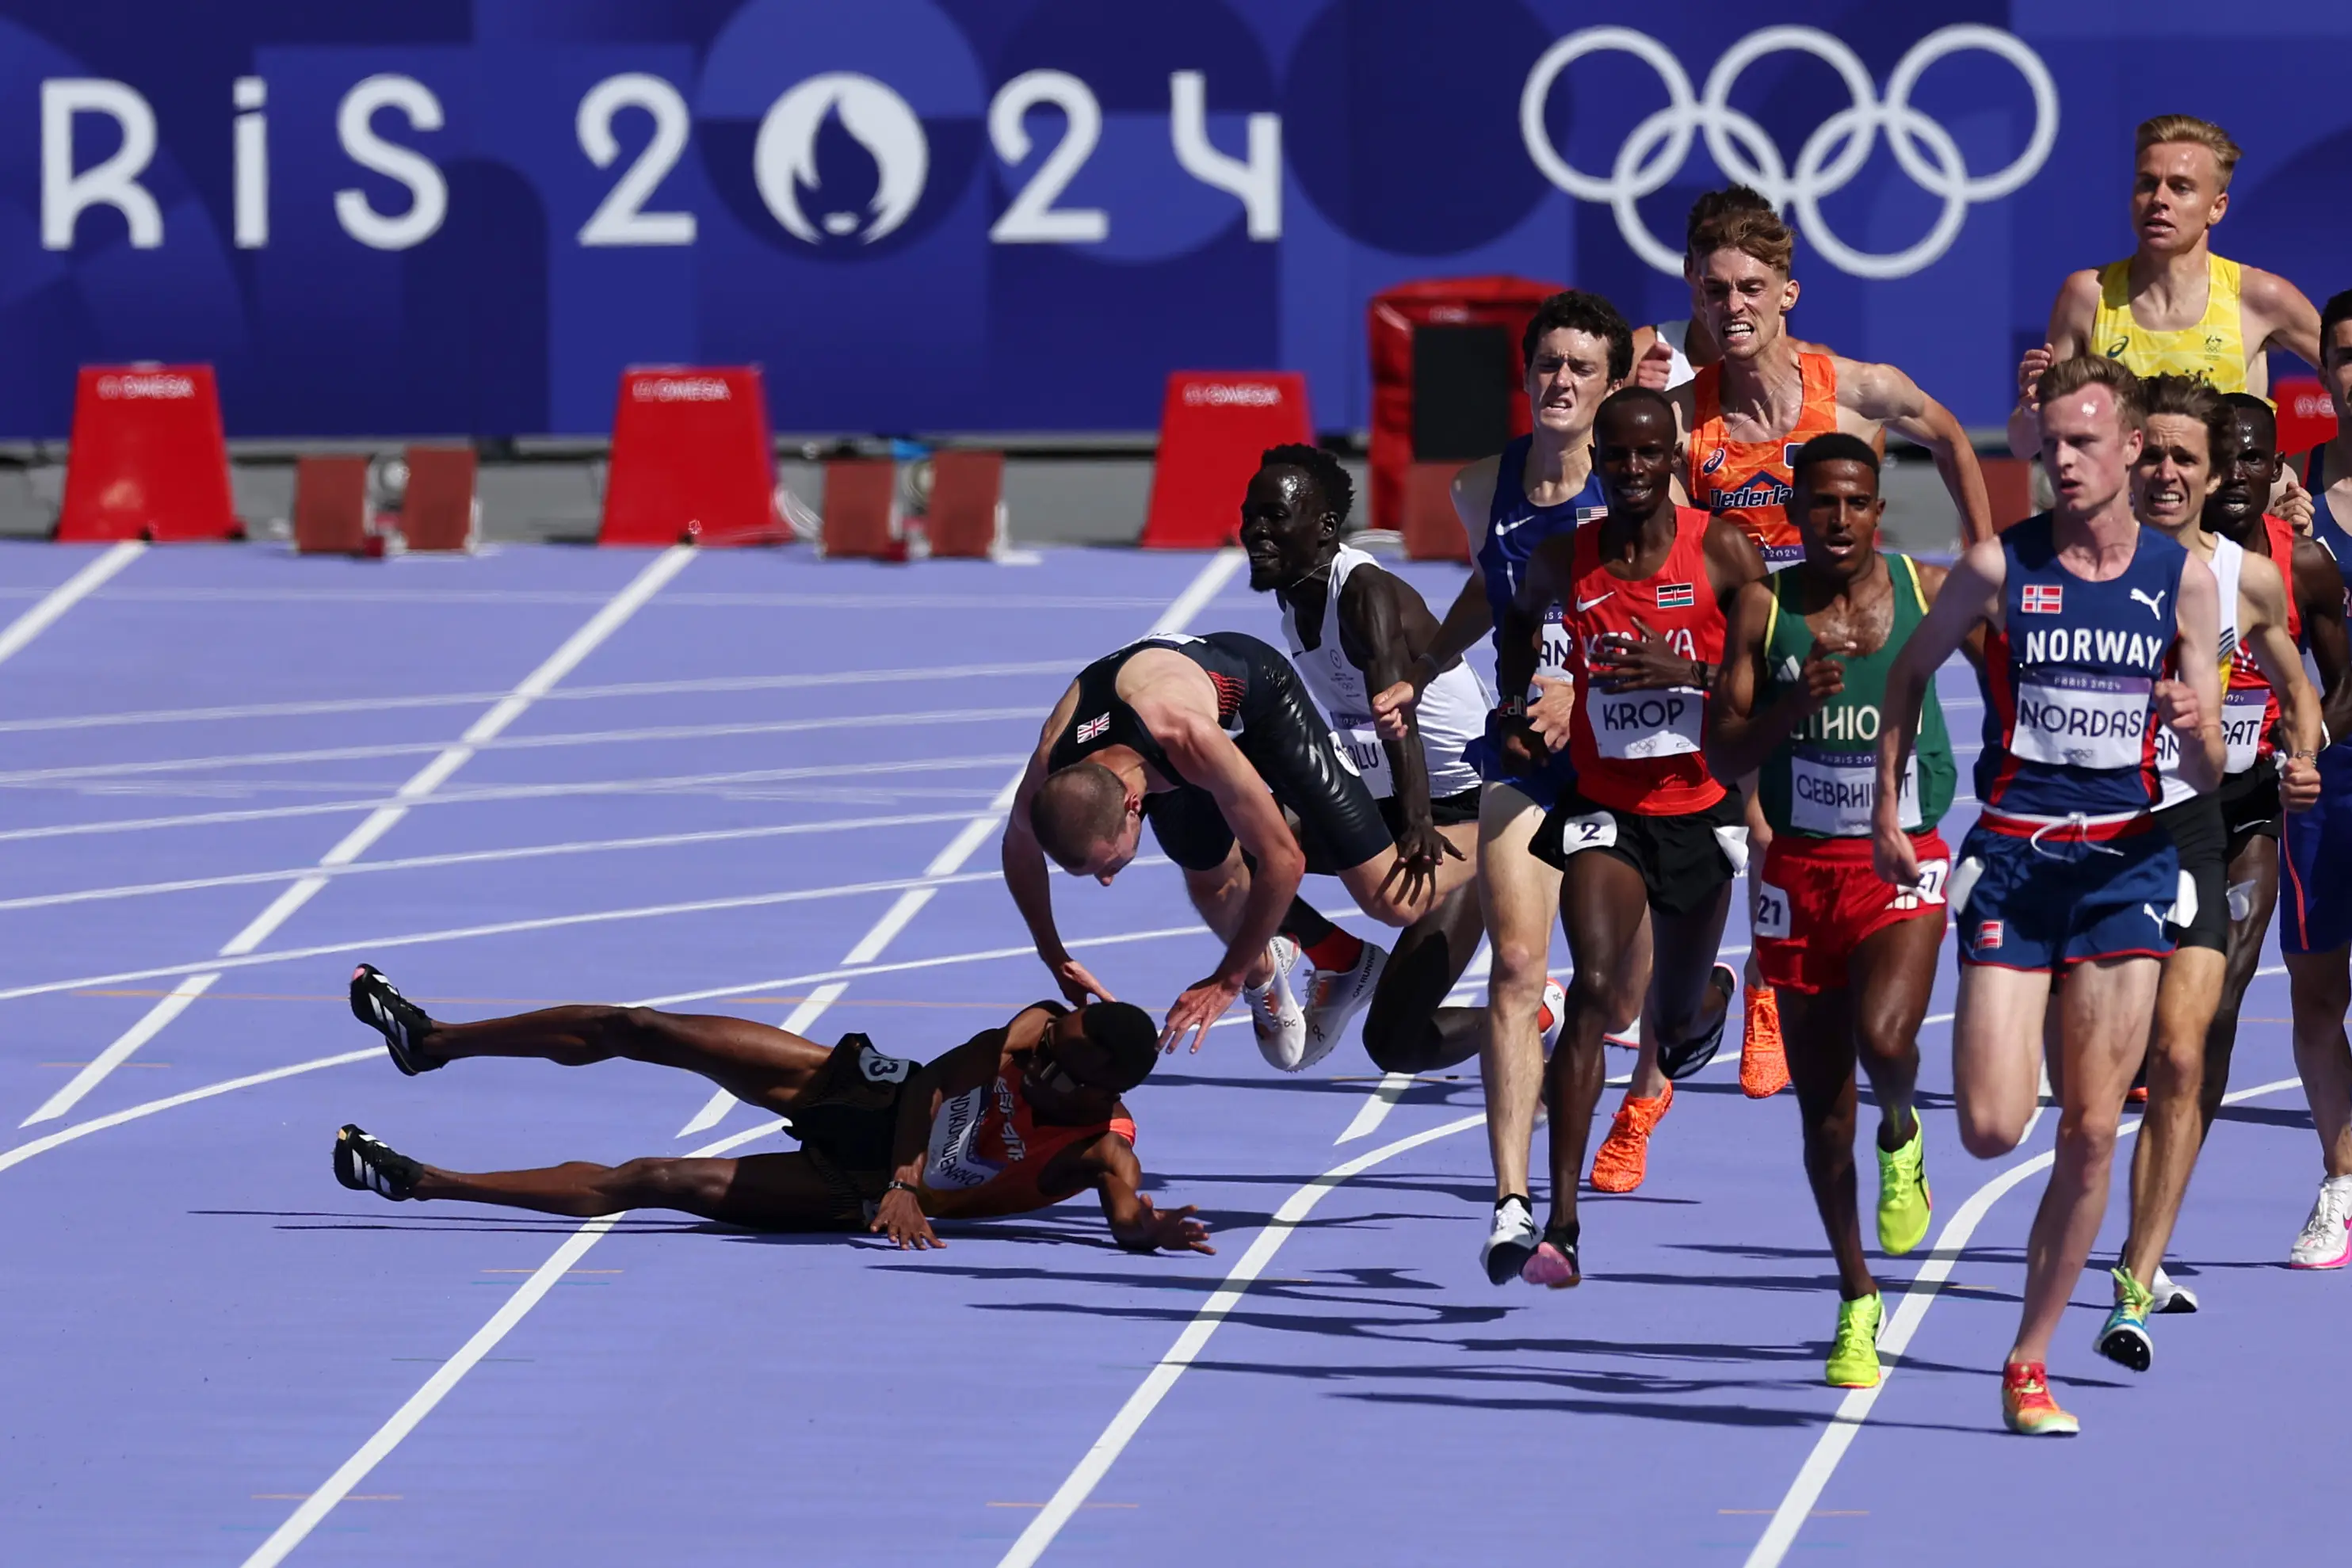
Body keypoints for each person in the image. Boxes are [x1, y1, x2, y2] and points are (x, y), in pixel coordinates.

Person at [1877, 355, 2224, 1435]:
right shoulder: (1998, 564)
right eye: (2053, 443)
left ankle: (2028, 1359)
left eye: (2086, 443)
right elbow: (1905, 670)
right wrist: (1891, 808)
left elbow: (2211, 765)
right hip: (2016, 862)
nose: (2065, 461)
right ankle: (1912, 1126)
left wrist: (2192, 723)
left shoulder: (2185, 578)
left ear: (2129, 449)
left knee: (2087, 1129)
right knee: (1989, 1125)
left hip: (2126, 861)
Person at [1369, 289, 1626, 1284]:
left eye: (1581, 367)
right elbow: (1492, 583)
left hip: (1629, 763)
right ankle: (1513, 1202)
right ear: (1527, 376)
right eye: (1548, 364)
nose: (1561, 381)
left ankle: (1686, 1019)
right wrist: (1426, 666)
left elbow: (1686, 611)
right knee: (1517, 965)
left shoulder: (1644, 481)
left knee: (1623, 991)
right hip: (1524, 761)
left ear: (1610, 385)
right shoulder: (1483, 485)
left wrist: (1586, 685)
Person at [334, 966, 1211, 1253]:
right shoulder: (1033, 1031)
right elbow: (940, 1082)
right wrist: (912, 1170)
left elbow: (1127, 1223)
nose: (1047, 1044)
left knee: (652, 1177)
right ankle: (435, 1040)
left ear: (1102, 1086)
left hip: (858, 1180)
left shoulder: (1102, 1147)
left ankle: (423, 1182)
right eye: (1056, 1032)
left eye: (1066, 1054)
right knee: (641, 1026)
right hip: (883, 1097)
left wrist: (1154, 1230)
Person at [1495, 387, 1766, 1285]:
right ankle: (1559, 1222)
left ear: (1674, 454)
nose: (1634, 469)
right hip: (1605, 806)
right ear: (1597, 462)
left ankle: (1705, 1007)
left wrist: (1686, 669)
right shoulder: (1562, 560)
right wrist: (1515, 709)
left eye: (1651, 453)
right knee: (1594, 990)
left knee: (1677, 1018)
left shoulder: (1721, 550)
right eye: (1618, 456)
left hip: (1696, 807)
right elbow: (1518, 631)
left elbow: (1768, 671)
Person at [1705, 433, 1957, 1388]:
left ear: (1878, 510)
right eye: (1821, 504)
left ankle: (1904, 1127)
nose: (1840, 519)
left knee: (1886, 1039)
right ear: (1796, 512)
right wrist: (1786, 712)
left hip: (1899, 855)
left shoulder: (1925, 589)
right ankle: (1856, 1297)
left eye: (1856, 502)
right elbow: (1724, 754)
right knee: (1819, 1116)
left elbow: (2019, 658)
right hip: (1797, 872)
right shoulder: (1765, 610)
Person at [2092, 376, 2320, 1369]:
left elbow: (2296, 680)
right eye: (2157, 456)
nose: (2172, 474)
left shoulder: (2254, 576)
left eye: (2193, 459)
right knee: (2102, 1062)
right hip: (2110, 827)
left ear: (2222, 472)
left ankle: (2140, 1269)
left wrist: (2302, 750)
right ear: (2131, 456)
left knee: (2206, 1023)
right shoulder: (2084, 561)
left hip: (2232, 815)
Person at [1005, 615, 1478, 1059]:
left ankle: (1512, 825)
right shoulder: (1049, 769)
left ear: (1134, 807)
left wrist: (1225, 982)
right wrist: (1054, 955)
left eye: (1108, 866)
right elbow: (1017, 850)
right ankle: (1274, 972)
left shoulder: (1188, 738)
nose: (1107, 881)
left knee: (1391, 900)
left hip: (1257, 700)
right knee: (1210, 882)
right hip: (1148, 729)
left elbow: (1283, 860)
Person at [1243, 443, 1560, 1074]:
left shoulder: (1362, 591)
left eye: (1274, 517)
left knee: (1393, 1043)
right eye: (1250, 513)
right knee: (1242, 837)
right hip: (1389, 796)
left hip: (1473, 809)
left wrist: (1418, 825)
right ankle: (1339, 959)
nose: (1255, 529)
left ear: (1324, 528)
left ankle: (1541, 1015)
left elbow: (1398, 712)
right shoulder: (1290, 596)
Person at [2009, 114, 2323, 457]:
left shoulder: (2258, 297)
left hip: (2222, 510)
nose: (2159, 198)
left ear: (2216, 208)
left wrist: (2328, 476)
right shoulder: (2088, 295)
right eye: (2147, 183)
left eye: (2180, 187)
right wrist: (2032, 411)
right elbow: (2024, 446)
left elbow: (2343, 370)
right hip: (2121, 509)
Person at [2280, 288, 2352, 1269]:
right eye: (2343, 354)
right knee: (2314, 996)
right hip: (2321, 782)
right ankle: (2340, 1182)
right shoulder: (2288, 493)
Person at [1630, 185, 1850, 392]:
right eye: (1711, 251)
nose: (1733, 305)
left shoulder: (1816, 370)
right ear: (1689, 269)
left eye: (1750, 287)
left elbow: (1869, 431)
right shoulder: (1640, 354)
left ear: (1788, 294)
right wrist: (1636, 406)